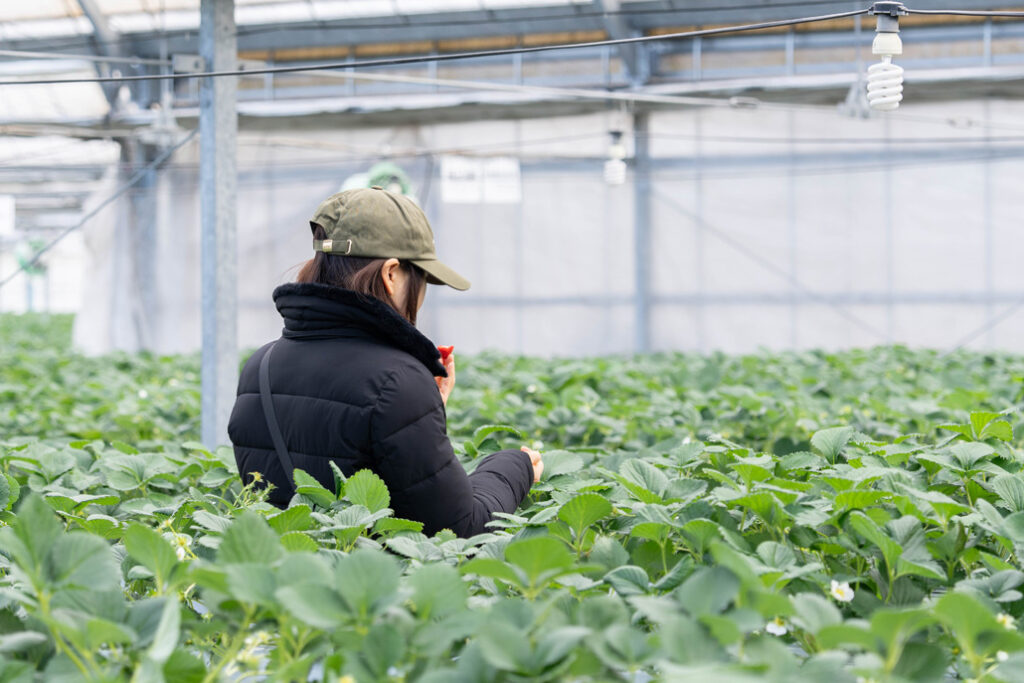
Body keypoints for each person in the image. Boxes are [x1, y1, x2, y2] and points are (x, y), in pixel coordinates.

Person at [227, 186, 543, 538]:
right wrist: (513, 467)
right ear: (392, 274)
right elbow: (459, 531)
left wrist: (426, 409)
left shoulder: (259, 367)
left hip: (286, 587)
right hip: (368, 589)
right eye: (420, 279)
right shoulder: (398, 381)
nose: (420, 296)